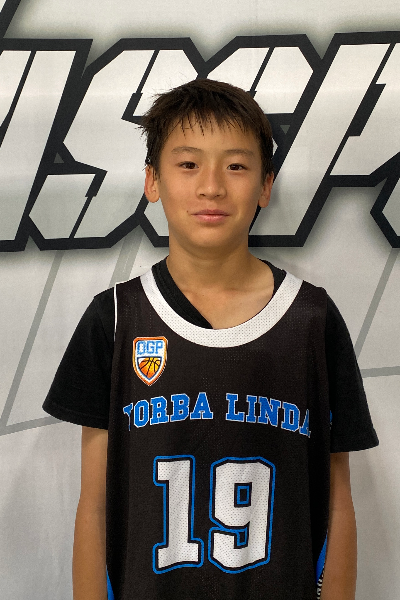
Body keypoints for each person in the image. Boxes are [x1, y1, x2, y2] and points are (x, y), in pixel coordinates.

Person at [43, 79, 378, 600]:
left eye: (236, 166)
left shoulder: (312, 320)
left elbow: (337, 502)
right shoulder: (116, 318)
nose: (212, 187)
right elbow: (95, 505)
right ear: (152, 180)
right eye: (188, 164)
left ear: (266, 185)